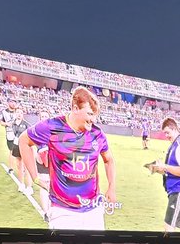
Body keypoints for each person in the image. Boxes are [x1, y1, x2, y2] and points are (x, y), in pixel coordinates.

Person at [19, 86, 118, 230]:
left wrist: (111, 187)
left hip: (94, 210)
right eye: (90, 114)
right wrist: (35, 178)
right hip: (62, 211)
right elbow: (24, 141)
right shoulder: (52, 127)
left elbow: (108, 159)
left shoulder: (98, 134)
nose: (93, 119)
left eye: (95, 115)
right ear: (75, 108)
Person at [146, 117, 180, 233]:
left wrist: (165, 166)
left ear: (174, 129)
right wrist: (158, 169)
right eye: (164, 133)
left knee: (168, 227)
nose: (166, 136)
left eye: (167, 132)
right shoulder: (174, 145)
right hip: (179, 191)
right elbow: (172, 170)